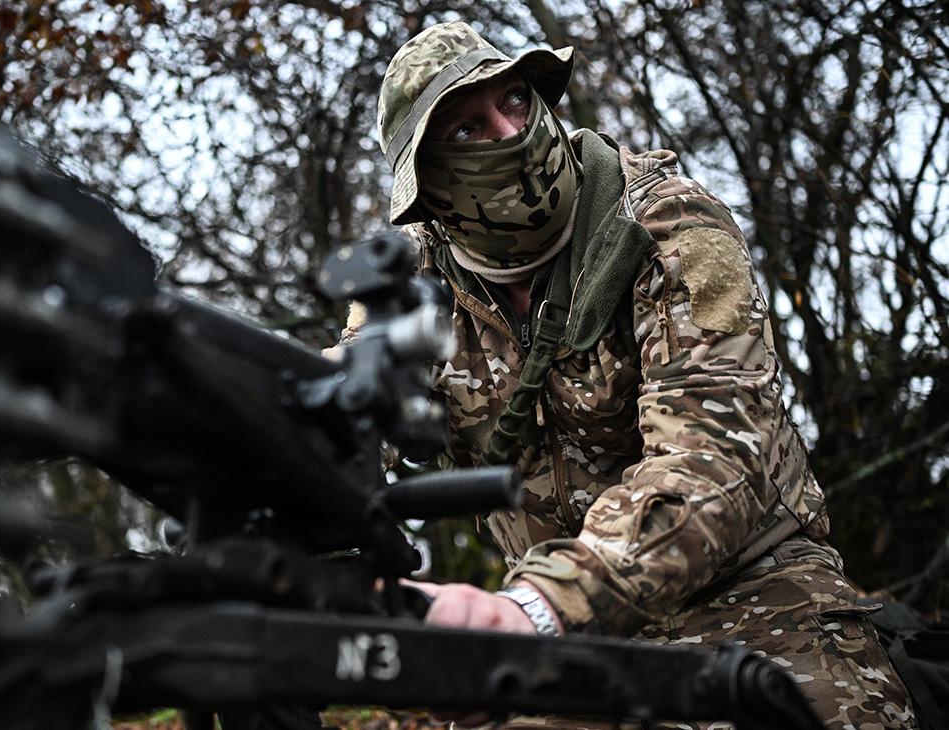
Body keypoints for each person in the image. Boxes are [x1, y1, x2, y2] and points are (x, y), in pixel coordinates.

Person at [358, 20, 917, 729]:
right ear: (428, 184)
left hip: (753, 592)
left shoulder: (666, 222)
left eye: (518, 101)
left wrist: (535, 607)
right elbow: (347, 417)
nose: (509, 133)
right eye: (466, 129)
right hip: (559, 638)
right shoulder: (410, 280)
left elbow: (715, 459)